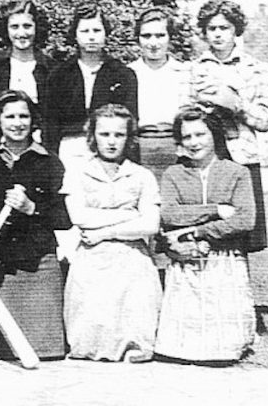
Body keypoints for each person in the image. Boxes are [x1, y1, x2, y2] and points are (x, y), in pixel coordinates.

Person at [0, 90, 70, 361]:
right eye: (10, 116)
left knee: (45, 351)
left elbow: (63, 219)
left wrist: (31, 208)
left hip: (39, 261)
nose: (17, 123)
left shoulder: (49, 162)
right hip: (1, 264)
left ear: (33, 120)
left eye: (24, 116)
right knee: (4, 352)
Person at [154, 106, 256, 363]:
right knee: (180, 346)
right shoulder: (173, 174)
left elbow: (245, 219)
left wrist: (198, 231)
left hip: (224, 258)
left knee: (222, 345)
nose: (193, 142)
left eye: (200, 134)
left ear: (214, 135)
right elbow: (169, 215)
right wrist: (216, 210)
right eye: (187, 137)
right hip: (186, 258)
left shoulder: (237, 173)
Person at [63, 104, 161, 362]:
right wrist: (130, 216)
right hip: (92, 257)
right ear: (92, 136)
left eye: (119, 135)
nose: (111, 141)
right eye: (104, 134)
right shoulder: (78, 173)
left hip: (132, 258)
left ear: (129, 138)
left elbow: (150, 224)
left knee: (135, 315)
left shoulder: (142, 176)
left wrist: (105, 232)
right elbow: (79, 217)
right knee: (88, 338)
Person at [191, 0, 268, 253]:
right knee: (206, 233)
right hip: (204, 159)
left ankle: (240, 292)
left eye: (224, 28)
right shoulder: (193, 69)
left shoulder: (258, 69)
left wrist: (236, 105)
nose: (217, 34)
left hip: (242, 159)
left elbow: (266, 120)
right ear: (204, 32)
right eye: (212, 28)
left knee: (240, 234)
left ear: (236, 30)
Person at [44, 3, 137, 167]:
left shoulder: (122, 74)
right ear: (75, 35)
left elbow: (130, 121)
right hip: (70, 148)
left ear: (105, 33)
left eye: (97, 30)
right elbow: (51, 125)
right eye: (85, 31)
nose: (91, 37)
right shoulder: (60, 74)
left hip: (110, 148)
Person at [127, 8, 192, 183]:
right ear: (138, 39)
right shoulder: (128, 74)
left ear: (170, 37)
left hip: (177, 148)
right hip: (139, 149)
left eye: (160, 35)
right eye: (146, 36)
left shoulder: (185, 72)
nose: (153, 43)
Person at [0, 0, 57, 146]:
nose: (21, 33)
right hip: (0, 145)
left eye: (27, 26)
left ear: (37, 28)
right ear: (6, 29)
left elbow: (53, 116)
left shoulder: (50, 67)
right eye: (14, 27)